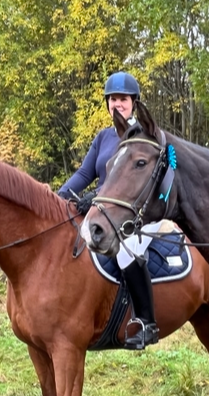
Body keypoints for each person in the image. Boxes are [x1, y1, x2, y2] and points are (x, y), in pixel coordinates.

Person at [58, 71, 160, 351]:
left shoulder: (143, 135)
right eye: (113, 99)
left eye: (123, 100)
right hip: (106, 213)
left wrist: (95, 197)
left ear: (133, 102)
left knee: (127, 252)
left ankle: (146, 322)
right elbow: (84, 173)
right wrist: (57, 199)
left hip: (137, 215)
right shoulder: (103, 137)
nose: (118, 104)